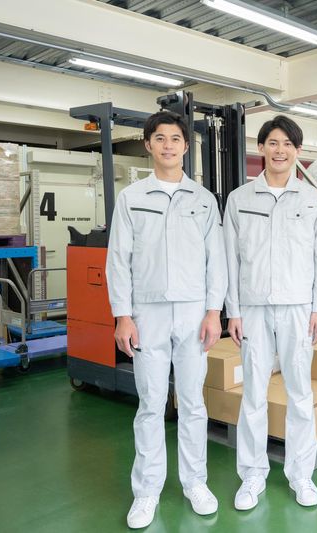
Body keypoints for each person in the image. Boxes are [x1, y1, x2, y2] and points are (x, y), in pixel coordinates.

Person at [106, 111, 227, 528]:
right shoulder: (131, 197)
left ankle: (196, 483)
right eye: (160, 138)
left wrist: (214, 311)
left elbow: (216, 260)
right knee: (150, 404)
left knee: (193, 403)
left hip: (194, 313)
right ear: (148, 145)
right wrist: (122, 316)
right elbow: (118, 260)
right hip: (148, 313)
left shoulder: (203, 199)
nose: (168, 145)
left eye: (175, 138)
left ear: (186, 146)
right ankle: (147, 491)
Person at [223, 115, 317, 511]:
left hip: (299, 308)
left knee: (300, 393)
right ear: (261, 148)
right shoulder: (240, 199)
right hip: (252, 308)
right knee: (253, 393)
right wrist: (233, 310)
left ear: (297, 151)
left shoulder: (312, 200)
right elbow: (230, 259)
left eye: (287, 144)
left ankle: (301, 474)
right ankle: (252, 475)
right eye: (273, 143)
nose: (280, 150)